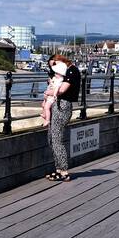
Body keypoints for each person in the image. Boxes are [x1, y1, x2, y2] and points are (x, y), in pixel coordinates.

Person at [41, 53, 82, 182]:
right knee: (51, 139)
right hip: (57, 104)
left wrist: (49, 91)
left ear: (59, 61)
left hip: (63, 105)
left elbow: (62, 89)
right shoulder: (66, 71)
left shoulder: (72, 70)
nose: (53, 69)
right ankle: (58, 169)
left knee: (57, 139)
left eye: (54, 64)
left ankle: (64, 171)